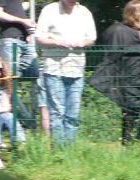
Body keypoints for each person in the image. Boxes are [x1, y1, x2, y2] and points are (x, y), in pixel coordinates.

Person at [93, 0, 140, 143]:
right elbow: (112, 55)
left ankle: (138, 140)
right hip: (129, 76)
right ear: (136, 13)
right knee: (130, 108)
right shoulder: (119, 30)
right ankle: (127, 141)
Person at [34, 0, 96, 145]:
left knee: (72, 115)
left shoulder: (85, 12)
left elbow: (91, 38)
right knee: (57, 113)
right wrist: (58, 42)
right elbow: (38, 38)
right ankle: (59, 152)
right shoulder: (49, 10)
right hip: (54, 68)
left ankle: (69, 151)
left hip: (77, 68)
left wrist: (83, 43)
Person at [0, 0, 48, 130]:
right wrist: (23, 21)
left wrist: (29, 29)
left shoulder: (17, 2)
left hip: (24, 41)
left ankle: (27, 120)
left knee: (35, 74)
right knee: (9, 84)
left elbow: (23, 7)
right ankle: (9, 123)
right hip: (10, 40)